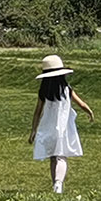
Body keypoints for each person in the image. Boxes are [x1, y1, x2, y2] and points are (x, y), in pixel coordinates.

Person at [28, 54, 93, 193]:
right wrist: (89, 112)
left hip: (48, 128)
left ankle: (55, 184)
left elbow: (37, 112)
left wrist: (33, 130)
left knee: (53, 157)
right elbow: (81, 104)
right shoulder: (66, 89)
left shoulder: (44, 91)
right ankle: (58, 183)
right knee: (61, 156)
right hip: (63, 129)